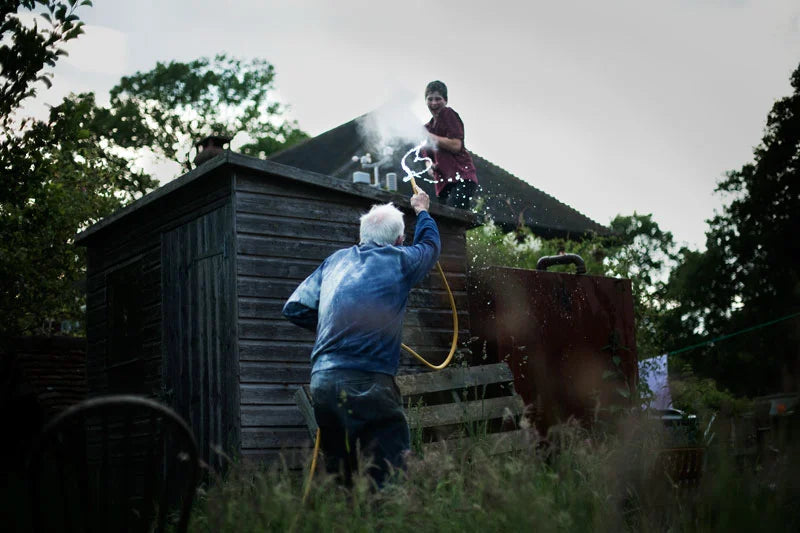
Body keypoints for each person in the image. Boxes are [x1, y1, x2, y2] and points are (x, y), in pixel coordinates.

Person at [282, 191, 440, 487]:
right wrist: (422, 211)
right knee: (389, 475)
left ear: (362, 236)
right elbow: (430, 245)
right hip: (368, 380)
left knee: (344, 477)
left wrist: (336, 328)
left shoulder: (335, 261)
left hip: (323, 383)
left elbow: (294, 308)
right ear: (398, 240)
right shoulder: (401, 259)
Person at [423, 80, 478, 210]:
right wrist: (429, 165)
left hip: (462, 178)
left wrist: (431, 137)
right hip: (443, 184)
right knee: (445, 222)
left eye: (438, 99)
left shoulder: (448, 114)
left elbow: (456, 145)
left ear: (446, 100)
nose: (434, 103)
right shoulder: (426, 128)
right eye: (430, 99)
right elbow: (426, 157)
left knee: (455, 216)